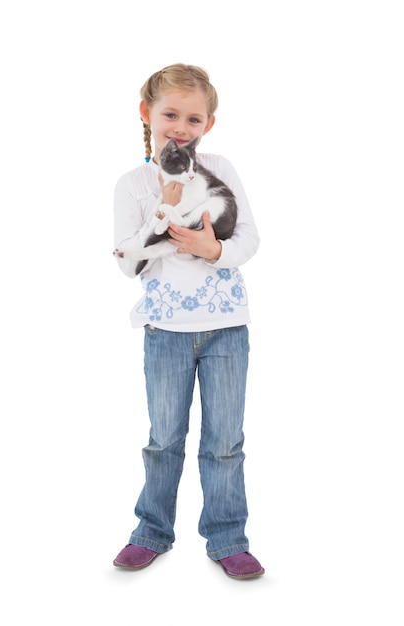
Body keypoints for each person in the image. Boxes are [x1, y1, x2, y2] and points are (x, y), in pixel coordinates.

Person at [112, 63, 264, 579]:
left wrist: (213, 248)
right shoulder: (132, 185)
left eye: (193, 118)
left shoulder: (219, 166)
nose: (181, 126)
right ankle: (151, 531)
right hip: (166, 333)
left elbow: (248, 239)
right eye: (170, 114)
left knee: (224, 441)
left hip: (226, 327)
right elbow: (129, 263)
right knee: (163, 438)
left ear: (208, 125)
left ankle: (227, 538)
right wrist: (164, 209)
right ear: (146, 114)